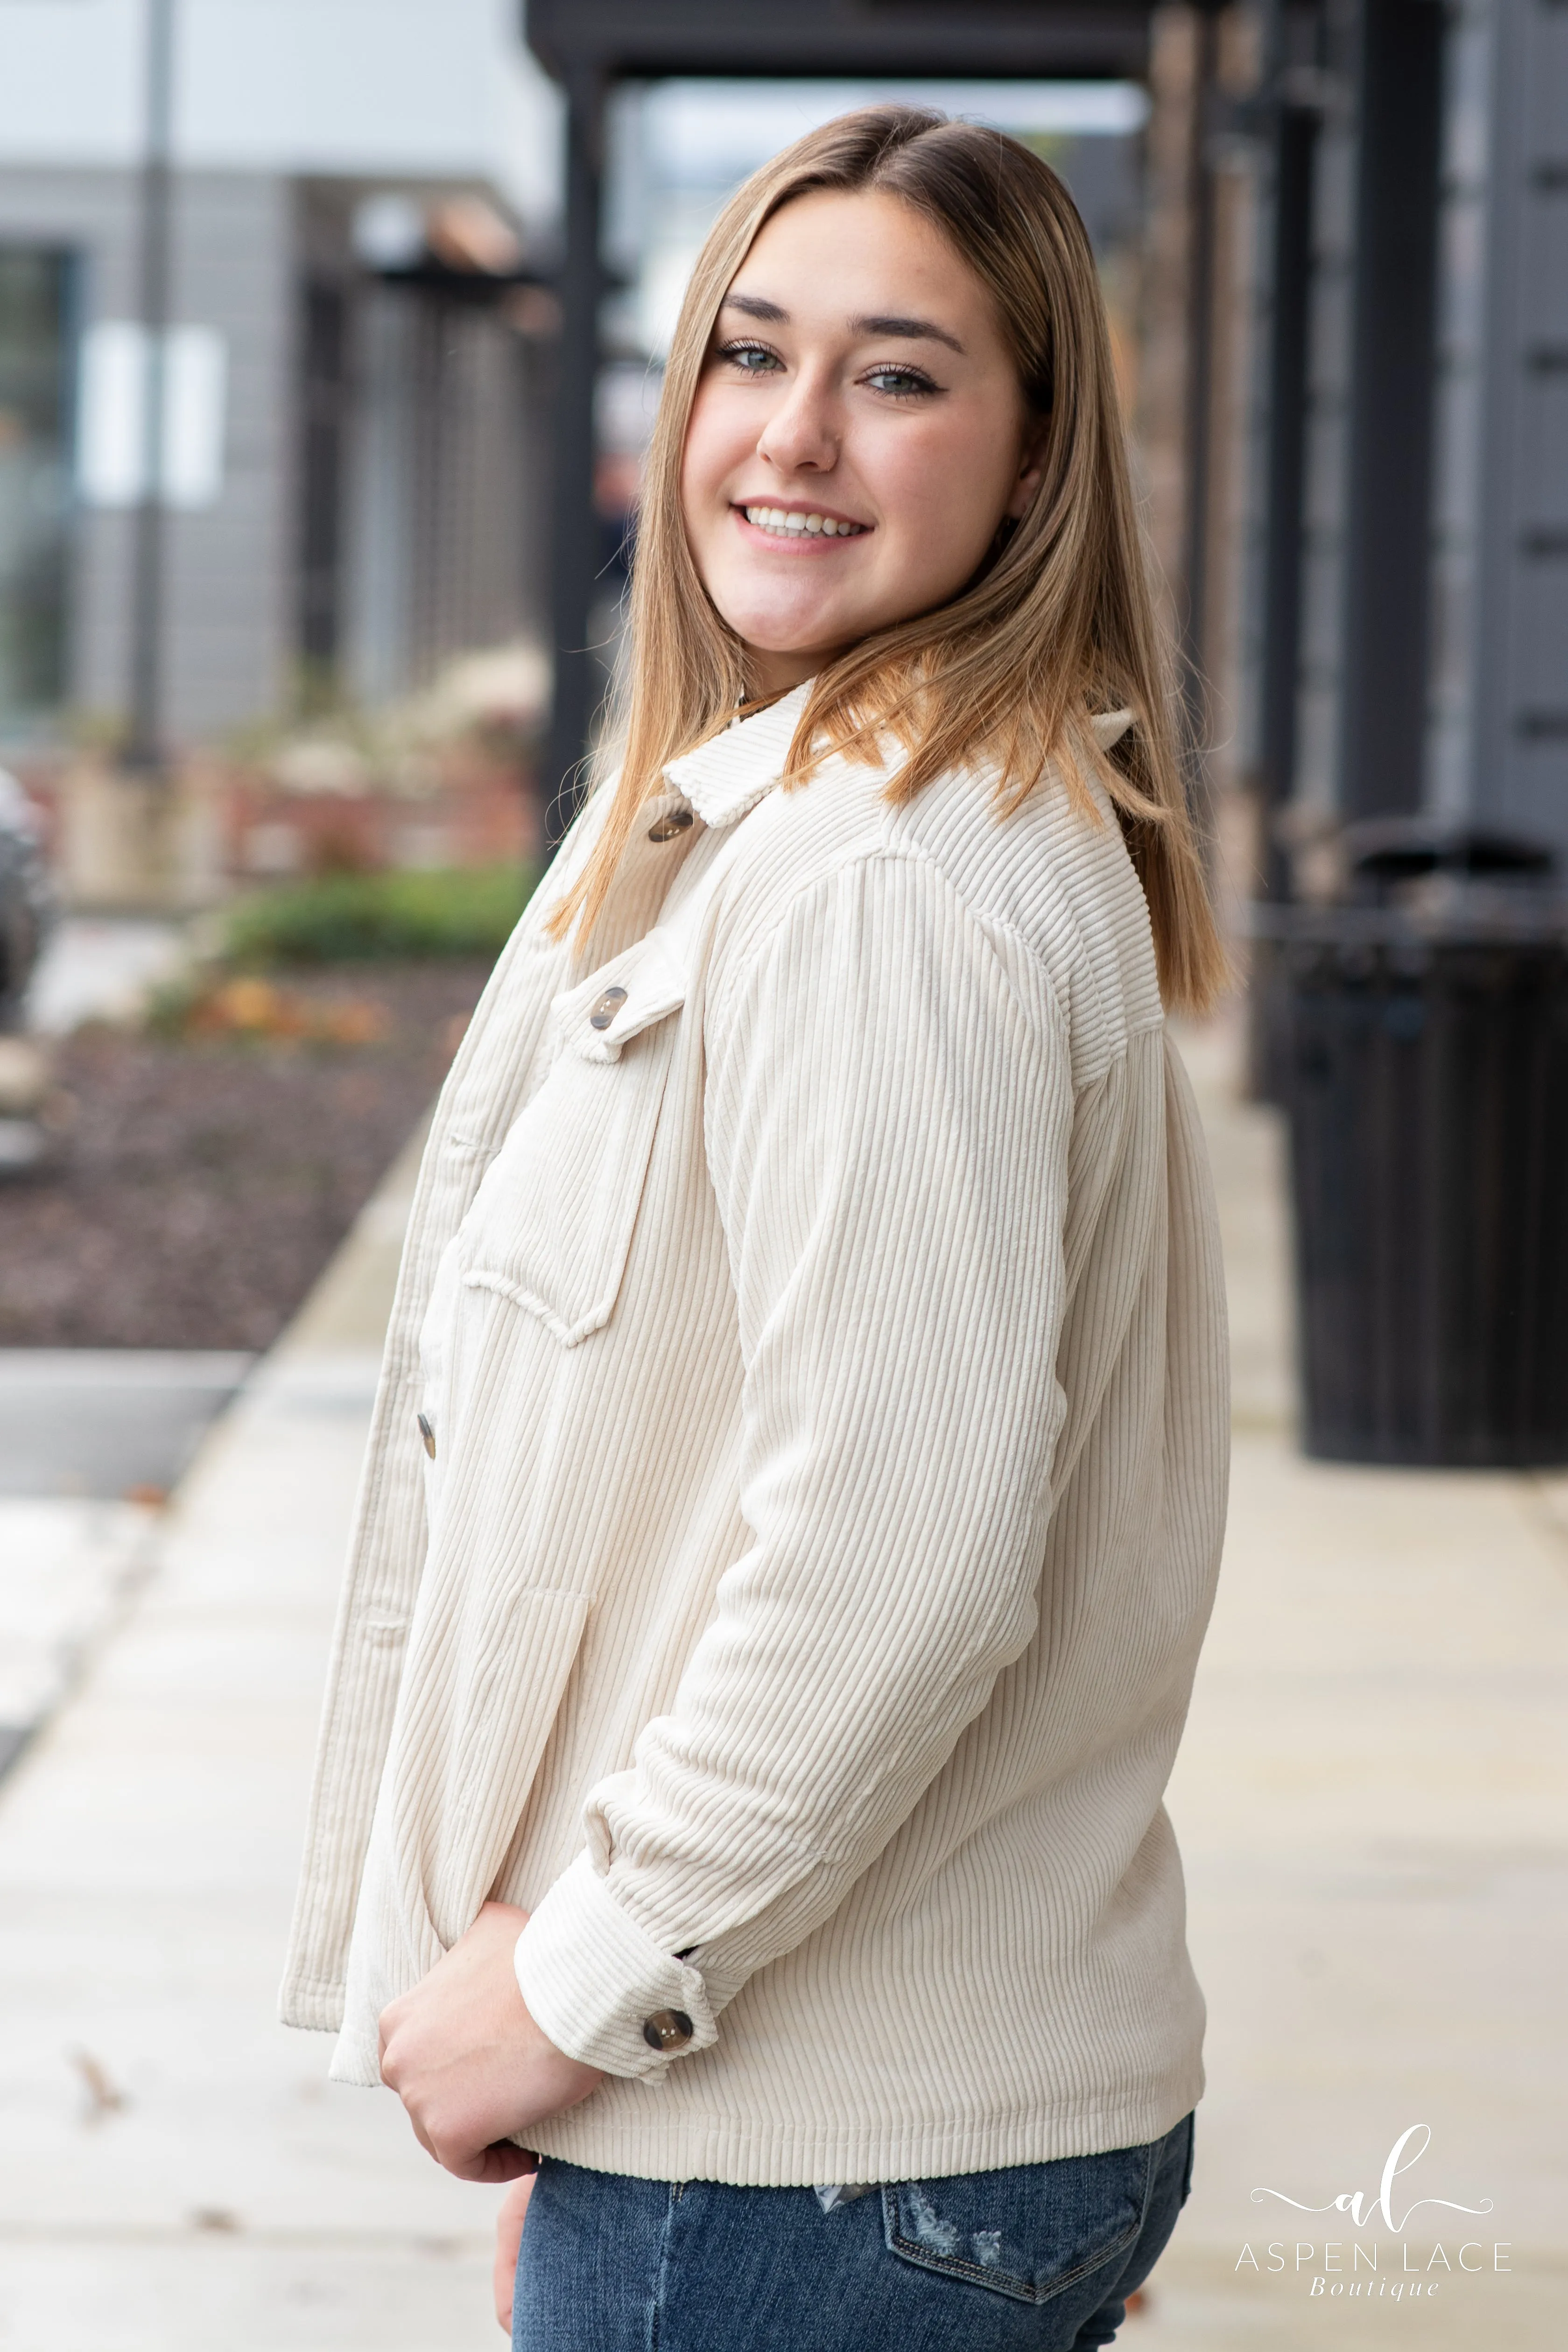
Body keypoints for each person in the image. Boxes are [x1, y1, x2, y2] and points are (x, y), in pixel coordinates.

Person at [280, 107, 1230, 2351]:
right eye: (744, 353)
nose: (790, 436)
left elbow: (893, 1548)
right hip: (823, 2135)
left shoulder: (875, 884)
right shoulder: (844, 813)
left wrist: (591, 1984)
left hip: (811, 2155)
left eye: (897, 375)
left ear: (1026, 462)